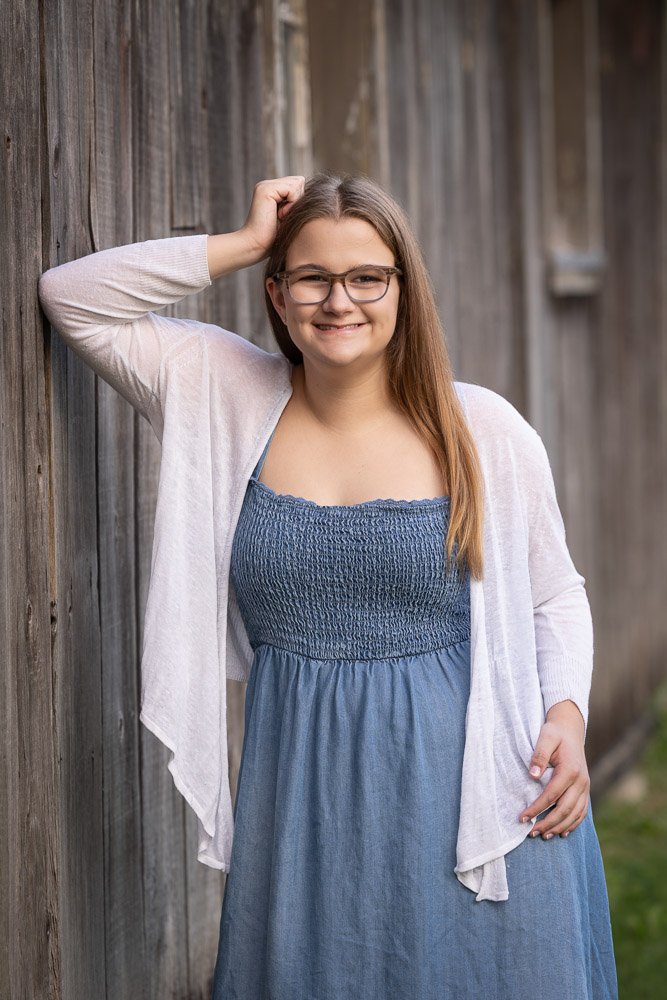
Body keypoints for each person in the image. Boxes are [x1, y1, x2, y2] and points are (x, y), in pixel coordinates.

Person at [38, 173, 618, 998]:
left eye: (366, 278)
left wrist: (565, 714)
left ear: (403, 290)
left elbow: (554, 595)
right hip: (305, 800)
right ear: (276, 293)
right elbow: (73, 298)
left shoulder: (480, 428)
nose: (338, 300)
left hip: (481, 794)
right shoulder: (221, 393)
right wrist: (244, 243)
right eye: (311, 277)